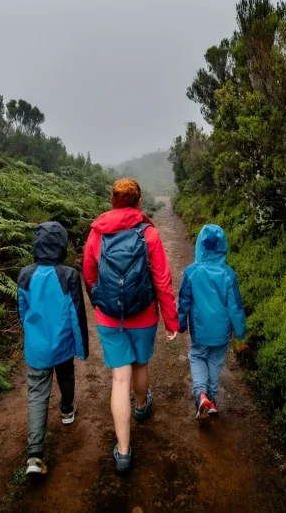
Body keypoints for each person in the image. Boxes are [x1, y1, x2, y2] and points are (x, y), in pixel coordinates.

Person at [83, 178, 179, 475]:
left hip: (110, 318)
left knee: (119, 380)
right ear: (138, 203)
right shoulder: (148, 234)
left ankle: (123, 453)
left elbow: (89, 274)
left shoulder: (97, 234)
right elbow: (162, 280)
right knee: (140, 365)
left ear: (113, 202)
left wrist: (99, 303)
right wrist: (171, 320)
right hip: (144, 315)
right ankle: (141, 406)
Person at [18, 222, 89, 478]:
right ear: (62, 245)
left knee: (37, 394)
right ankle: (67, 410)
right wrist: (82, 350)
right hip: (62, 345)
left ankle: (35, 455)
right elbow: (77, 316)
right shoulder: (68, 275)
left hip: (37, 347)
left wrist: (31, 334)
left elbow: (22, 312)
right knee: (66, 375)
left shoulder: (25, 274)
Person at [177, 224, 246, 420]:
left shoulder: (191, 272)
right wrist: (240, 332)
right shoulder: (228, 273)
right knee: (215, 362)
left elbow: (184, 302)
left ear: (200, 244)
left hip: (199, 330)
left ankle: (201, 394)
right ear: (223, 245)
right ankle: (212, 400)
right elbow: (235, 306)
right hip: (222, 331)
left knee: (198, 356)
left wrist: (181, 323)